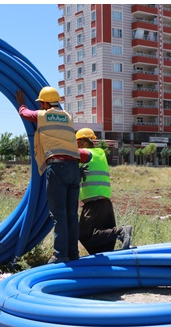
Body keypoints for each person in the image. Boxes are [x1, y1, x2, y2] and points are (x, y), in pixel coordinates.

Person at [16, 87, 81, 263]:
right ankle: (73, 253)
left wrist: (21, 104)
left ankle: (60, 255)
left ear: (44, 103)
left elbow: (26, 114)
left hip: (58, 167)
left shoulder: (43, 115)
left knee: (59, 213)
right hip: (74, 167)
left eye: (41, 103)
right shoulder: (68, 116)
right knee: (71, 213)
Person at [75, 128, 132, 254]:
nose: (76, 146)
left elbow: (68, 153)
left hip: (94, 204)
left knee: (84, 234)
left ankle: (120, 231)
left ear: (84, 143)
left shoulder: (86, 153)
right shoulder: (99, 153)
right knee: (104, 246)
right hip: (105, 203)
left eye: (77, 143)